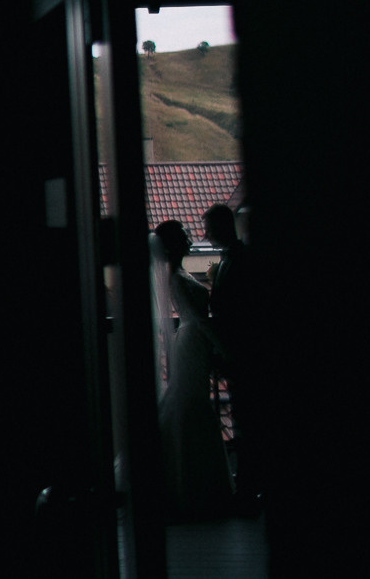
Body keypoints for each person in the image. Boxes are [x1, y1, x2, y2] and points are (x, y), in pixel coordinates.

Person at [152, 220, 232, 521]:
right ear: (173, 244)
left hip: (193, 343)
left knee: (188, 404)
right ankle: (192, 483)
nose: (190, 238)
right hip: (191, 342)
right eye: (185, 235)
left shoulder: (179, 273)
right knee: (190, 405)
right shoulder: (174, 277)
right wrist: (222, 348)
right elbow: (198, 320)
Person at [204, 202, 258, 508]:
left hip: (242, 353)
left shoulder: (240, 260)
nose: (206, 235)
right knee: (242, 418)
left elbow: (240, 312)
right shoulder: (231, 258)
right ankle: (247, 484)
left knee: (246, 421)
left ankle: (249, 488)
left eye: (209, 229)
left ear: (223, 227)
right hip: (236, 352)